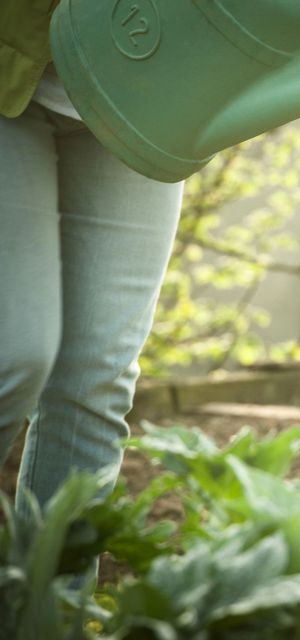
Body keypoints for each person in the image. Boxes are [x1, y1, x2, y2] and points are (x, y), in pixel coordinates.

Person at [0, 2, 183, 521]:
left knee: (96, 383)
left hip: (148, 93)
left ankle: (53, 601)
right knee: (12, 356)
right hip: (12, 61)